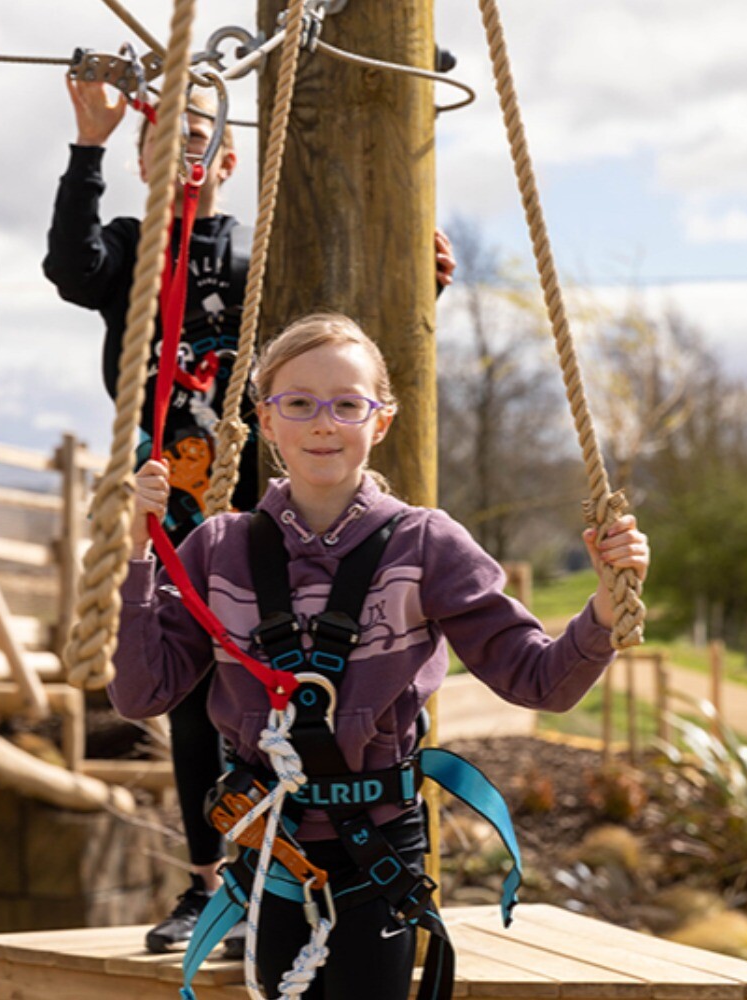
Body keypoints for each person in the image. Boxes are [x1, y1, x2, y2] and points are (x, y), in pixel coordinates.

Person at [110, 312, 650, 999]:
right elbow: (142, 694)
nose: (323, 424)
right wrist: (136, 552)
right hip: (275, 855)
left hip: (379, 852)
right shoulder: (220, 551)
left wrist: (604, 609)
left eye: (347, 405)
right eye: (298, 404)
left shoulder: (425, 548)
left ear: (381, 421)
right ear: (266, 423)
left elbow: (538, 679)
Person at [44, 77, 458, 959]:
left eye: (199, 139)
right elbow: (71, 269)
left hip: (252, 512)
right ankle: (211, 885)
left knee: (305, 686)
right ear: (144, 161)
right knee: (191, 699)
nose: (183, 154)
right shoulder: (131, 247)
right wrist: (90, 145)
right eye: (164, 143)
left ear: (229, 158)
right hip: (172, 507)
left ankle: (336, 865)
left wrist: (407, 271)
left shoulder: (255, 256)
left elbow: (329, 343)